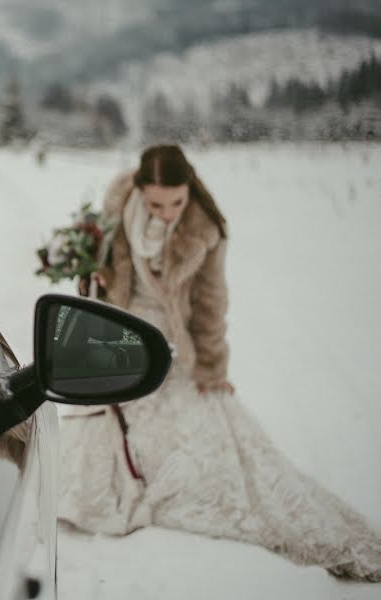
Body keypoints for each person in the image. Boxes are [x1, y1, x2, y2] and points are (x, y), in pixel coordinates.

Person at [59, 144, 381, 581]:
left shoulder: (205, 230)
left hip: (168, 338)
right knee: (97, 418)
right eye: (156, 204)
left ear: (190, 189)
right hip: (118, 329)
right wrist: (93, 271)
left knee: (201, 444)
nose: (168, 213)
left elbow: (211, 305)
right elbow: (108, 265)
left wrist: (212, 369)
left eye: (177, 202)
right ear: (138, 191)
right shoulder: (118, 200)